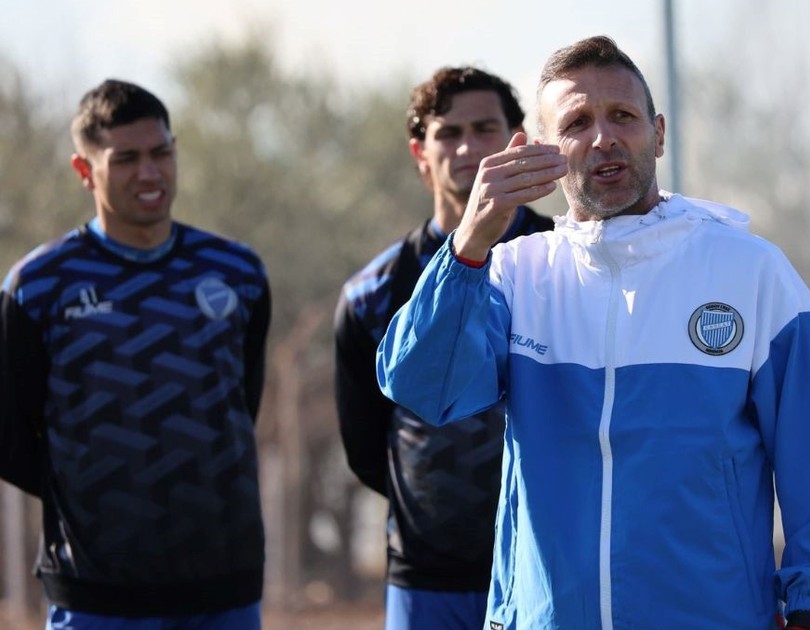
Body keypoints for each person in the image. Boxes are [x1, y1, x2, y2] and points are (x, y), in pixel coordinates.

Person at [375, 36, 810, 630]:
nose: (603, 138)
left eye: (622, 115)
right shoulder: (513, 275)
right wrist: (468, 244)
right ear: (543, 150)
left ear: (658, 133)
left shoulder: (752, 272)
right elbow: (423, 388)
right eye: (577, 123)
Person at [0, 79, 270, 629]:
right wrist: (93, 494)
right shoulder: (39, 286)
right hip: (96, 596)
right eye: (126, 159)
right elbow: (9, 438)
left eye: (160, 153)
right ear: (84, 170)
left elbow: (240, 405)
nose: (150, 173)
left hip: (223, 588)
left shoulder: (237, 272)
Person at [334, 67, 553, 630]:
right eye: (448, 133)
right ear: (420, 154)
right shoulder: (372, 293)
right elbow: (366, 448)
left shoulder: (566, 260)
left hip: (550, 569)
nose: (467, 147)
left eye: (484, 129)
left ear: (516, 140)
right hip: (427, 580)